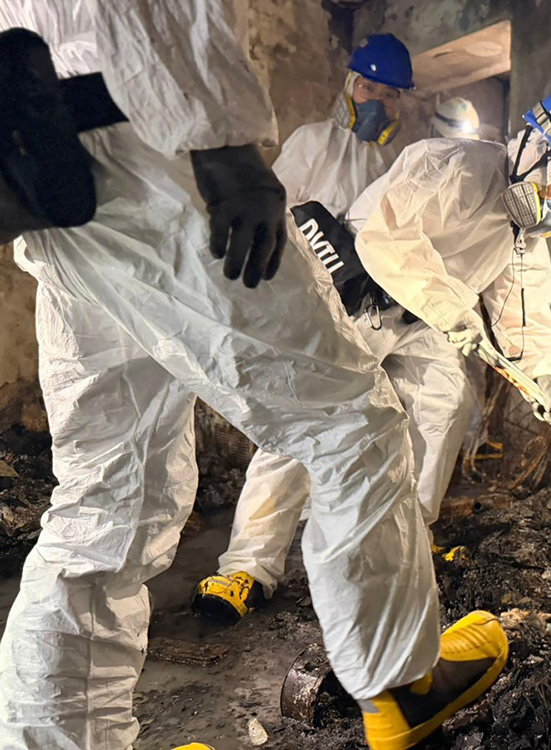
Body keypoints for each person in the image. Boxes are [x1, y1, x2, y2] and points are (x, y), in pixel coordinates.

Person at [0, 4, 506, 749]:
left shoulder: (393, 156)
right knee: (352, 423)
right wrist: (224, 144)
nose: (379, 102)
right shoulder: (328, 146)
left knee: (107, 499)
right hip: (151, 154)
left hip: (49, 169)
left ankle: (64, 737)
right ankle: (400, 684)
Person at [190, 85, 551, 628]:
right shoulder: (451, 165)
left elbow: (526, 310)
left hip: (427, 320)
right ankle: (248, 566)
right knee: (309, 422)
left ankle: (407, 544)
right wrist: (455, 313)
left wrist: (546, 378)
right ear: (535, 151)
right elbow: (387, 243)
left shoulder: (523, 232)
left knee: (442, 406)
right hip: (360, 298)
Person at [191, 32, 416, 622]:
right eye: (370, 88)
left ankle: (343, 562)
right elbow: (280, 214)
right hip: (309, 313)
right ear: (349, 86)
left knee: (366, 438)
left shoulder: (394, 162)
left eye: (391, 95)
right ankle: (246, 568)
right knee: (293, 435)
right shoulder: (315, 141)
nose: (379, 103)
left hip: (366, 319)